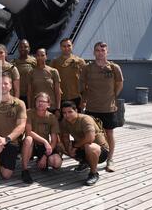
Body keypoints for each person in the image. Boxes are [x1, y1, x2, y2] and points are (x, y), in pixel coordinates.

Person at [80, 42, 124, 172]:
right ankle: (87, 159)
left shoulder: (114, 67)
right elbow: (82, 84)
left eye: (103, 50)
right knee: (89, 134)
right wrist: (84, 99)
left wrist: (112, 96)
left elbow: (120, 83)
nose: (100, 52)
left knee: (109, 133)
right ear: (94, 52)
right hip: (92, 107)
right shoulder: (87, 68)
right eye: (97, 50)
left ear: (107, 52)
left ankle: (110, 159)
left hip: (108, 108)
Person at [0, 74, 27, 195]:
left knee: (7, 175)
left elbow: (21, 126)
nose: (2, 86)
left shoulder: (19, 104)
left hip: (11, 141)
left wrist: (6, 139)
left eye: (6, 83)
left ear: (11, 85)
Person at [60, 101, 110, 186]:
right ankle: (85, 162)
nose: (67, 115)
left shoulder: (85, 119)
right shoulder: (65, 122)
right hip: (82, 147)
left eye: (70, 112)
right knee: (59, 146)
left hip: (100, 150)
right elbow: (65, 137)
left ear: (76, 110)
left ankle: (93, 173)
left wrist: (74, 147)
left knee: (89, 147)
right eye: (64, 113)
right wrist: (69, 150)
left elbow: (90, 138)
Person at [21, 92, 62, 184]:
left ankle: (41, 161)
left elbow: (54, 140)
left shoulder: (52, 117)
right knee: (28, 139)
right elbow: (28, 132)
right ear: (35, 102)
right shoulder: (29, 113)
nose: (40, 103)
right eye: (38, 101)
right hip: (31, 144)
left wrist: (45, 156)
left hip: (43, 147)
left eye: (43, 101)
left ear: (48, 104)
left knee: (56, 162)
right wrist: (44, 141)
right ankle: (24, 170)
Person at [50, 38, 86, 110]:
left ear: (72, 46)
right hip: (61, 97)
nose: (66, 48)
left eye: (68, 46)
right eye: (64, 46)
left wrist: (84, 100)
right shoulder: (55, 62)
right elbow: (51, 80)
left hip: (77, 97)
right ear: (60, 47)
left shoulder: (80, 61)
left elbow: (85, 81)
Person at [27, 48, 61, 116]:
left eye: (42, 55)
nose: (40, 57)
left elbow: (57, 92)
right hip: (36, 107)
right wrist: (29, 108)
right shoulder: (31, 73)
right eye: (38, 55)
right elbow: (29, 93)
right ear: (35, 57)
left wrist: (58, 108)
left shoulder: (53, 71)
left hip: (51, 107)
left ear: (46, 56)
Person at [12, 39, 37, 107]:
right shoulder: (13, 63)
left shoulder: (35, 61)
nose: (23, 48)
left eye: (25, 46)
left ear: (29, 48)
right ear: (18, 49)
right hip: (18, 95)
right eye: (21, 47)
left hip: (32, 95)